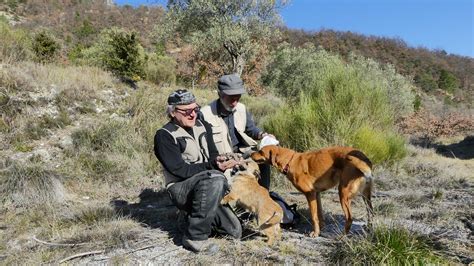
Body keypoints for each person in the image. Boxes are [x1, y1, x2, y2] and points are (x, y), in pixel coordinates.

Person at [154, 89, 242, 253]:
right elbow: (179, 170)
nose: (193, 114)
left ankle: (189, 218)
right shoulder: (164, 135)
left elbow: (213, 156)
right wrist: (215, 167)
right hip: (181, 189)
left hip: (208, 185)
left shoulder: (203, 126)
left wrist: (220, 160)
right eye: (187, 111)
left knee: (234, 231)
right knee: (215, 178)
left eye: (196, 109)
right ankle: (194, 237)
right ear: (173, 112)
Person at [201, 73, 276, 189]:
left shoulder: (241, 108)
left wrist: (263, 135)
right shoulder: (205, 114)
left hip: (242, 152)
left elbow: (251, 129)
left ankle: (265, 194)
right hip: (223, 157)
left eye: (238, 97)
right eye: (231, 98)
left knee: (263, 160)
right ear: (220, 94)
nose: (235, 102)